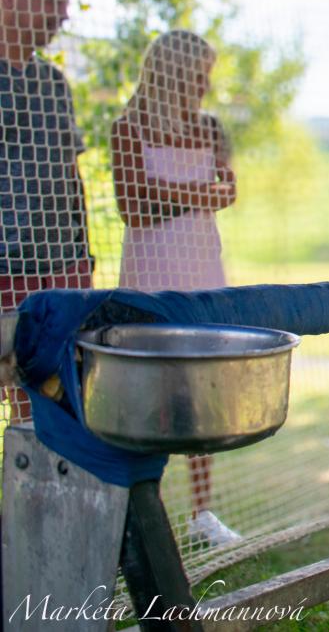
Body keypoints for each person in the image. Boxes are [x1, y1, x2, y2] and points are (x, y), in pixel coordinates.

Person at [111, 29, 240, 547]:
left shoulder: (210, 127)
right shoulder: (128, 127)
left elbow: (227, 190)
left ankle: (202, 512)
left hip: (202, 265)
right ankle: (146, 511)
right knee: (148, 386)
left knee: (202, 385)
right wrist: (195, 193)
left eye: (207, 75)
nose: (205, 85)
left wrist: (170, 193)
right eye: (197, 75)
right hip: (151, 269)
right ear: (171, 74)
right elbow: (132, 207)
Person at [0, 0, 93, 423]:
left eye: (65, 1)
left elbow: (72, 176)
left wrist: (83, 257)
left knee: (58, 406)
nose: (63, 14)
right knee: (15, 400)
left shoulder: (54, 83)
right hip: (7, 269)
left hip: (63, 269)